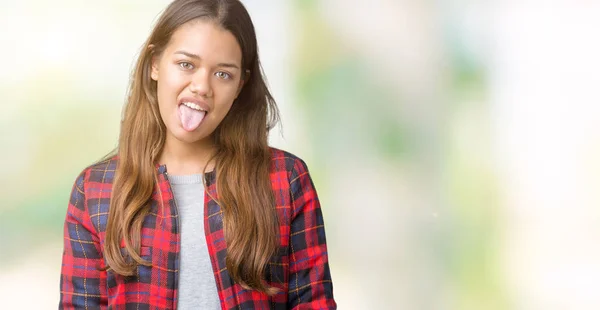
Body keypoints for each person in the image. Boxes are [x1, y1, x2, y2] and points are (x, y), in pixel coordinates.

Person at [58, 0, 336, 309]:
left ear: (240, 86)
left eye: (222, 74)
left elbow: (314, 303)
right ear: (154, 64)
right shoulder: (96, 190)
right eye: (186, 64)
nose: (202, 86)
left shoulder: (286, 180)